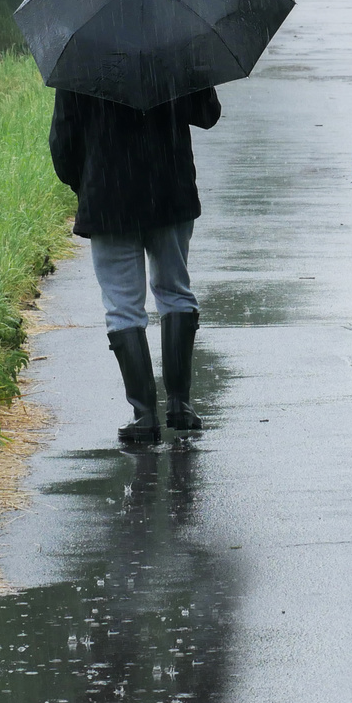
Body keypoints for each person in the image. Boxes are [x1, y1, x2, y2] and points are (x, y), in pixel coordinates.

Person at [49, 86, 220, 444]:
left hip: (108, 197)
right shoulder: (175, 43)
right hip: (169, 189)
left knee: (122, 306)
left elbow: (63, 143)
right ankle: (180, 405)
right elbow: (207, 114)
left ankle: (143, 416)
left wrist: (87, 182)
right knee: (175, 290)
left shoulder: (81, 58)